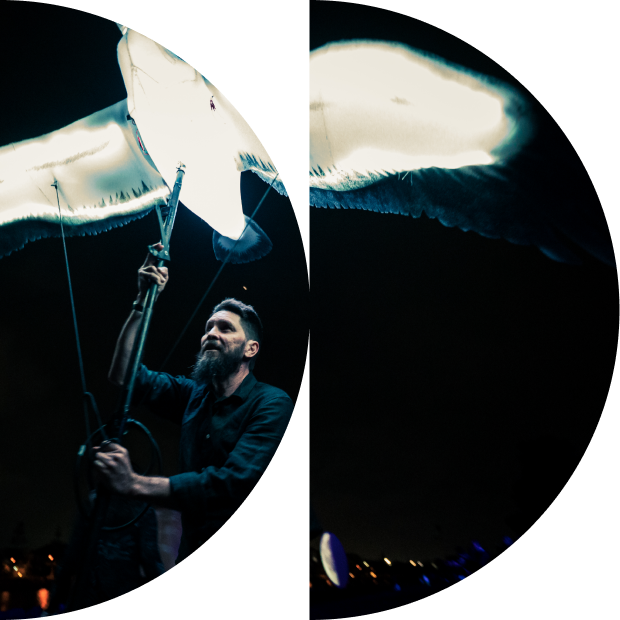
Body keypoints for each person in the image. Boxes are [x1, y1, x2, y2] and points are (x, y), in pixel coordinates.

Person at [93, 242, 295, 569]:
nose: (210, 334)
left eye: (225, 328)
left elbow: (234, 483)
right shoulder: (193, 396)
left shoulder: (272, 403)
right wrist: (143, 300)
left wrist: (133, 483)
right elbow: (124, 375)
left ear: (251, 348)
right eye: (208, 328)